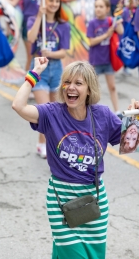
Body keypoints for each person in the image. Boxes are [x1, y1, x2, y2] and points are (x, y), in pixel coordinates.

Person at [12, 57, 139, 258]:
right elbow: (18, 106)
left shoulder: (102, 115)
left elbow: (129, 146)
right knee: (71, 254)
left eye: (78, 83)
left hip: (94, 201)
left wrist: (135, 121)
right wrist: (35, 73)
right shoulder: (52, 113)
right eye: (67, 82)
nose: (71, 87)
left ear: (89, 89)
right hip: (61, 200)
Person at [27, 0, 70, 158]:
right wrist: (39, 16)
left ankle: (43, 143)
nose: (53, 4)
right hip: (39, 70)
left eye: (56, 1)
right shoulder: (33, 19)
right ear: (44, 2)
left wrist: (50, 53)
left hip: (57, 70)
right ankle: (44, 145)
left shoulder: (64, 25)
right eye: (50, 0)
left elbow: (64, 52)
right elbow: (30, 38)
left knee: (56, 112)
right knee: (45, 111)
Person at [87, 0, 123, 116]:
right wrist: (106, 35)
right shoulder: (92, 23)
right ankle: (91, 110)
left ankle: (117, 111)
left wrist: (117, 21)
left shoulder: (110, 21)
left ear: (107, 9)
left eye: (101, 7)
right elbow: (91, 42)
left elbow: (121, 31)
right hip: (95, 61)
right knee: (92, 89)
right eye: (96, 6)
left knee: (112, 87)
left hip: (108, 60)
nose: (98, 9)